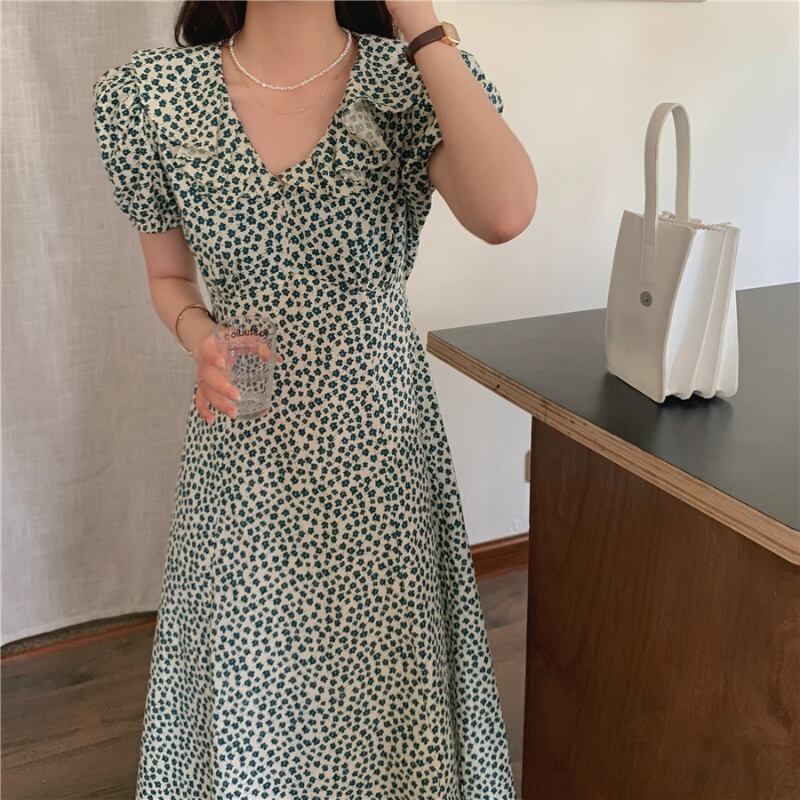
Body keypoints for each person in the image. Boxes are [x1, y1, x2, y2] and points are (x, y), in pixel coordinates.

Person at [92, 0, 536, 797]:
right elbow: (167, 277)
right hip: (246, 463)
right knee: (253, 678)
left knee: (387, 695)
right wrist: (200, 337)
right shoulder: (152, 95)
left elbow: (505, 212)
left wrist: (418, 21)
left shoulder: (406, 82)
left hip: (379, 464)